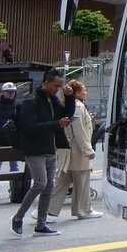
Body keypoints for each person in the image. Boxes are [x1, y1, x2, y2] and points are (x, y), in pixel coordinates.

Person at [10, 71, 74, 236]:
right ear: (46, 82)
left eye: (60, 86)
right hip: (34, 149)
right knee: (40, 183)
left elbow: (66, 114)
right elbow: (29, 126)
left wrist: (70, 97)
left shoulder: (51, 100)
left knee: (49, 186)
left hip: (49, 148)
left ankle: (41, 224)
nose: (57, 89)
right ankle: (18, 217)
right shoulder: (32, 101)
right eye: (55, 86)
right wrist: (56, 124)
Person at [47, 79, 102, 220]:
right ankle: (83, 210)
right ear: (77, 93)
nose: (86, 92)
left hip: (68, 149)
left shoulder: (73, 105)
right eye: (84, 90)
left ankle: (45, 210)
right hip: (77, 150)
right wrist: (88, 149)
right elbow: (79, 130)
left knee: (61, 182)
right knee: (82, 181)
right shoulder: (78, 106)